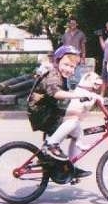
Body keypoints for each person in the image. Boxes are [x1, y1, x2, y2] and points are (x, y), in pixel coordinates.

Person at [26, 45, 102, 178]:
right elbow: (57, 94)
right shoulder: (53, 74)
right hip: (40, 113)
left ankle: (71, 167)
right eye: (66, 64)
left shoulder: (62, 76)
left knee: (77, 129)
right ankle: (51, 146)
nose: (69, 69)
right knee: (72, 121)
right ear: (57, 60)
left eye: (72, 67)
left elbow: (69, 93)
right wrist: (79, 96)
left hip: (49, 110)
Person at [61, 17, 87, 89]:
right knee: (68, 76)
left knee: (78, 75)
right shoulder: (65, 34)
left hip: (77, 58)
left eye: (74, 23)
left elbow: (83, 46)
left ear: (77, 24)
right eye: (71, 23)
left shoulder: (81, 34)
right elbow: (63, 47)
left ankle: (79, 93)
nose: (72, 25)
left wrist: (83, 58)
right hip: (68, 58)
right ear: (69, 24)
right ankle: (70, 93)